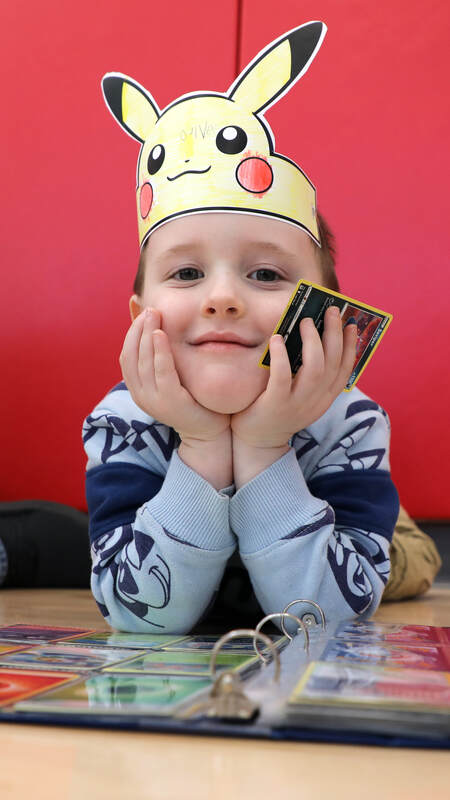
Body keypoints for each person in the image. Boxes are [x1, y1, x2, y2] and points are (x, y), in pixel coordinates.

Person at [81, 23, 437, 633]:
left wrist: (266, 446)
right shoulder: (121, 422)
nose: (222, 298)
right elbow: (140, 617)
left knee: (411, 561)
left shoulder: (350, 421)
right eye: (188, 272)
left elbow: (323, 616)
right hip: (205, 574)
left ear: (322, 315)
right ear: (141, 320)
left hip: (344, 522)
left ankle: (400, 533)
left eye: (266, 274)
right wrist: (200, 445)